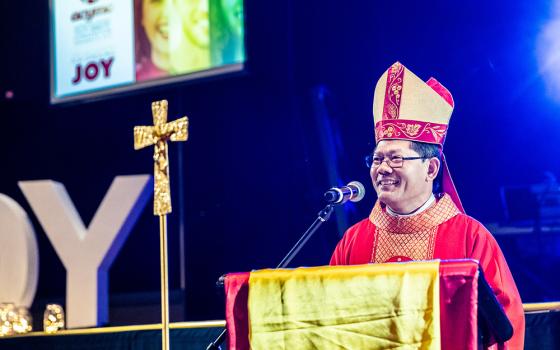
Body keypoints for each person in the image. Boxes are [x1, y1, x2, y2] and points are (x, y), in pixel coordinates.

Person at [330, 62, 525, 349]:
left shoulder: (470, 238)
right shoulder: (353, 241)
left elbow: (506, 328)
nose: (382, 168)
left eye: (395, 158)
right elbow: (328, 320)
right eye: (377, 158)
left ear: (431, 168)